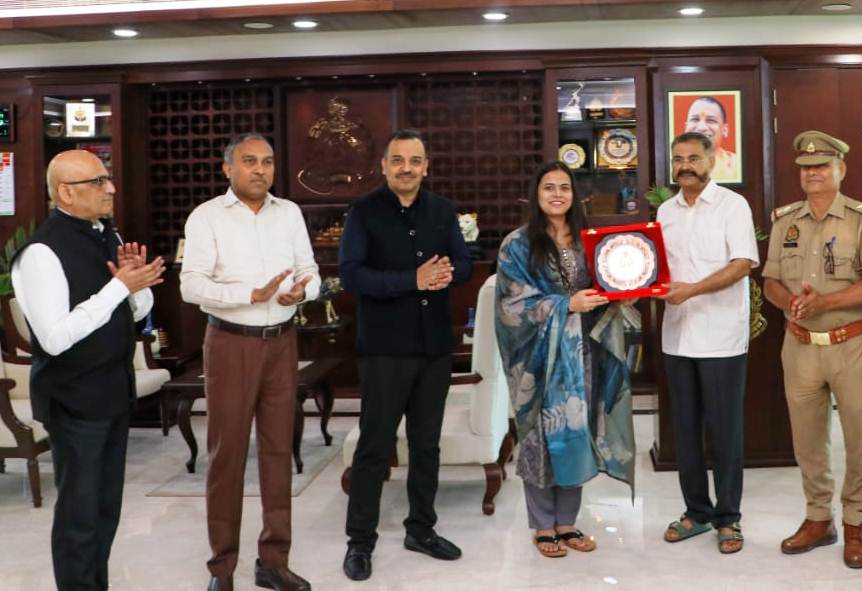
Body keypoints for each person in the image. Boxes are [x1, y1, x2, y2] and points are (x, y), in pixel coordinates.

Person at [13, 149, 162, 590]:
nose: (110, 189)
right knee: (79, 519)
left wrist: (135, 284)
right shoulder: (40, 253)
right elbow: (55, 338)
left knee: (104, 512)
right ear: (66, 192)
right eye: (98, 182)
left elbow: (136, 313)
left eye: (107, 179)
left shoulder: (106, 235)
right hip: (74, 401)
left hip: (113, 392)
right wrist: (117, 288)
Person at [181, 133, 320, 591]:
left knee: (278, 452)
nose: (260, 169)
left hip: (282, 342)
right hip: (230, 343)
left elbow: (310, 271)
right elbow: (191, 285)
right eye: (249, 161)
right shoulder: (207, 217)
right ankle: (222, 569)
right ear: (228, 169)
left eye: (267, 161)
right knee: (228, 455)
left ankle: (273, 562)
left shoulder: (289, 213)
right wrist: (250, 295)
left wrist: (302, 291)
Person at [339, 128, 471, 581]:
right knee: (375, 447)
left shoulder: (442, 210)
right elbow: (352, 276)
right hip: (384, 350)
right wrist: (411, 280)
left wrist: (448, 273)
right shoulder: (363, 212)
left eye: (415, 160)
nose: (406, 168)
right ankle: (360, 541)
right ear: (384, 166)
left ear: (426, 167)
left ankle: (421, 529)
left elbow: (464, 262)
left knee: (426, 445)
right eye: (397, 160)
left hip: (434, 348)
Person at [762, 130, 862, 568]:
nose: (812, 173)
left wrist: (825, 303)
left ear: (841, 169)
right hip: (799, 346)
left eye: (821, 166)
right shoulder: (785, 220)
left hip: (850, 343)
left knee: (858, 438)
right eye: (806, 168)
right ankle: (819, 518)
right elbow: (771, 282)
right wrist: (790, 303)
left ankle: (855, 522)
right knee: (807, 441)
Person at [494, 161, 637, 558]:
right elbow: (510, 305)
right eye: (549, 187)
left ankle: (567, 522)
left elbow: (603, 287)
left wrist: (621, 294)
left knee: (576, 430)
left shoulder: (589, 241)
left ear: (575, 196)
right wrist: (565, 304)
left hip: (582, 355)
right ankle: (543, 525)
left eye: (564, 187)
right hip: (538, 360)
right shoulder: (517, 244)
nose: (557, 194)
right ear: (536, 195)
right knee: (541, 437)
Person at [656, 131, 758, 554]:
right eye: (678, 159)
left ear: (711, 161)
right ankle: (696, 512)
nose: (685, 166)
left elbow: (742, 264)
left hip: (720, 338)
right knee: (685, 431)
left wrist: (692, 290)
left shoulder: (733, 205)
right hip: (677, 336)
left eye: (694, 158)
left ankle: (728, 518)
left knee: (724, 433)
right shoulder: (665, 210)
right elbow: (656, 267)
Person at [681, 96, 739, 183]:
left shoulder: (737, 165)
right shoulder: (673, 165)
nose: (701, 127)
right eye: (695, 119)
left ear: (725, 130)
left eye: (711, 120)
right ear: (686, 128)